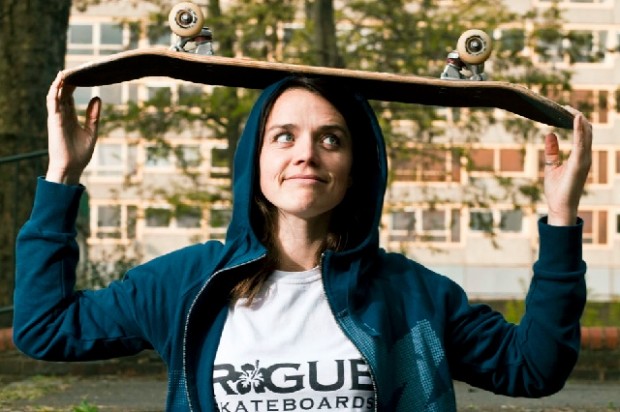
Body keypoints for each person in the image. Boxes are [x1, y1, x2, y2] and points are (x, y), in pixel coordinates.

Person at [13, 71, 592, 412]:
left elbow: (533, 368)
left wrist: (562, 217)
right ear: (256, 159)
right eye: (284, 136)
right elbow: (46, 329)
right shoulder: (189, 284)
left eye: (330, 139)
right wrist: (62, 177)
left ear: (355, 168)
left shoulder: (410, 295)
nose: (306, 154)